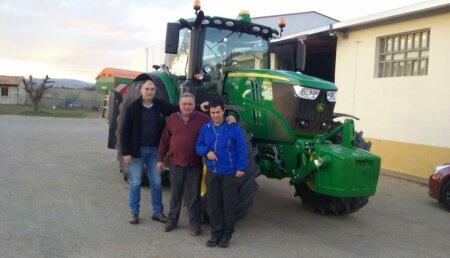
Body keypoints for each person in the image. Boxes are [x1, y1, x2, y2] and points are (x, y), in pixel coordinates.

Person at [121, 80, 177, 225]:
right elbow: (124, 131)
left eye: (152, 89)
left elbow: (178, 109)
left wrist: (200, 107)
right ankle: (134, 212)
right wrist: (126, 152)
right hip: (137, 151)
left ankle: (157, 212)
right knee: (135, 182)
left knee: (157, 182)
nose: (149, 92)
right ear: (141, 91)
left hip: (155, 151)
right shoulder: (133, 108)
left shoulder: (159, 105)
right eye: (147, 89)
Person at [196, 97, 247, 248]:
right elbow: (198, 146)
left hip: (229, 173)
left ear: (224, 111)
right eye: (213, 112)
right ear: (209, 112)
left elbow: (241, 149)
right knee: (213, 204)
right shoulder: (206, 129)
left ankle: (226, 235)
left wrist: (241, 168)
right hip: (212, 171)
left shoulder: (233, 128)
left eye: (218, 112)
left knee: (228, 205)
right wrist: (207, 152)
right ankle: (215, 233)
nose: (216, 115)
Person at [156, 93, 210, 236]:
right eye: (184, 104)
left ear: (194, 105)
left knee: (193, 196)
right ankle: (172, 221)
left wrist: (229, 119)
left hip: (194, 164)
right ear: (179, 105)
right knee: (176, 194)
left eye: (190, 104)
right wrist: (160, 159)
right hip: (176, 163)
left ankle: (195, 224)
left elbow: (217, 123)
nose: (187, 107)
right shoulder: (172, 119)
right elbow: (164, 141)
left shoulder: (203, 119)